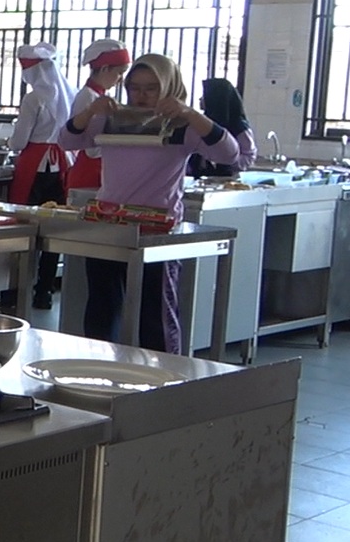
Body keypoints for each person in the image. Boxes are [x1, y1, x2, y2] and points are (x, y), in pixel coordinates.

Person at [59, 54, 238, 354]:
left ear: (168, 87)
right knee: (103, 306)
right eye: (135, 88)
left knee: (156, 312)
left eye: (151, 88)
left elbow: (229, 153)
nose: (141, 96)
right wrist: (89, 111)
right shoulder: (111, 119)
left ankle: (164, 372)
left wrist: (191, 114)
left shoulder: (182, 126)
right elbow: (67, 140)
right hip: (109, 223)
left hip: (158, 229)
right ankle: (100, 366)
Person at [7, 42, 76, 309]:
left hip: (34, 166)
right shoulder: (69, 92)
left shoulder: (34, 98)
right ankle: (44, 290)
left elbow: (19, 141)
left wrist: (10, 143)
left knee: (24, 227)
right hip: (62, 166)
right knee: (52, 229)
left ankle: (16, 289)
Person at [65, 39, 131, 190]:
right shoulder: (88, 98)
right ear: (104, 69)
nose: (121, 80)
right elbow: (90, 147)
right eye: (119, 73)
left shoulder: (98, 96)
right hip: (89, 172)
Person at [188, 78, 257, 177]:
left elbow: (248, 157)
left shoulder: (238, 125)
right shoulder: (202, 121)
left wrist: (225, 160)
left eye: (204, 96)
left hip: (226, 178)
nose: (200, 99)